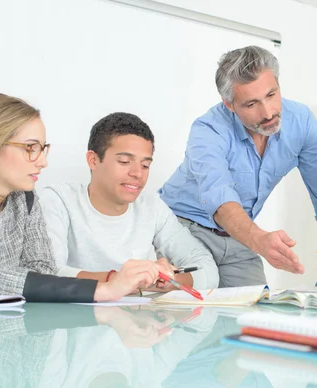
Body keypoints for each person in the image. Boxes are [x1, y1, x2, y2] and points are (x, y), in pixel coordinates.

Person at [159, 45, 317, 287]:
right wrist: (260, 240)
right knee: (188, 312)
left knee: (256, 309)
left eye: (271, 95)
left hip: (238, 236)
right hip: (183, 228)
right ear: (229, 104)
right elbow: (220, 199)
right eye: (251, 104)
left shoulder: (301, 122)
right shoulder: (208, 130)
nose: (268, 112)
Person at [0, 93, 165, 302]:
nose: (42, 162)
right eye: (31, 148)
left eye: (43, 149)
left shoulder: (25, 199)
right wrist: (104, 289)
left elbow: (42, 270)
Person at [40, 112, 219, 290]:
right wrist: (119, 280)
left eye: (145, 165)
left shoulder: (151, 206)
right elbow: (45, 273)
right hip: (76, 316)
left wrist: (170, 281)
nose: (137, 173)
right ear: (93, 160)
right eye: (125, 161)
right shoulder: (58, 200)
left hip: (137, 315)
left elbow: (207, 269)